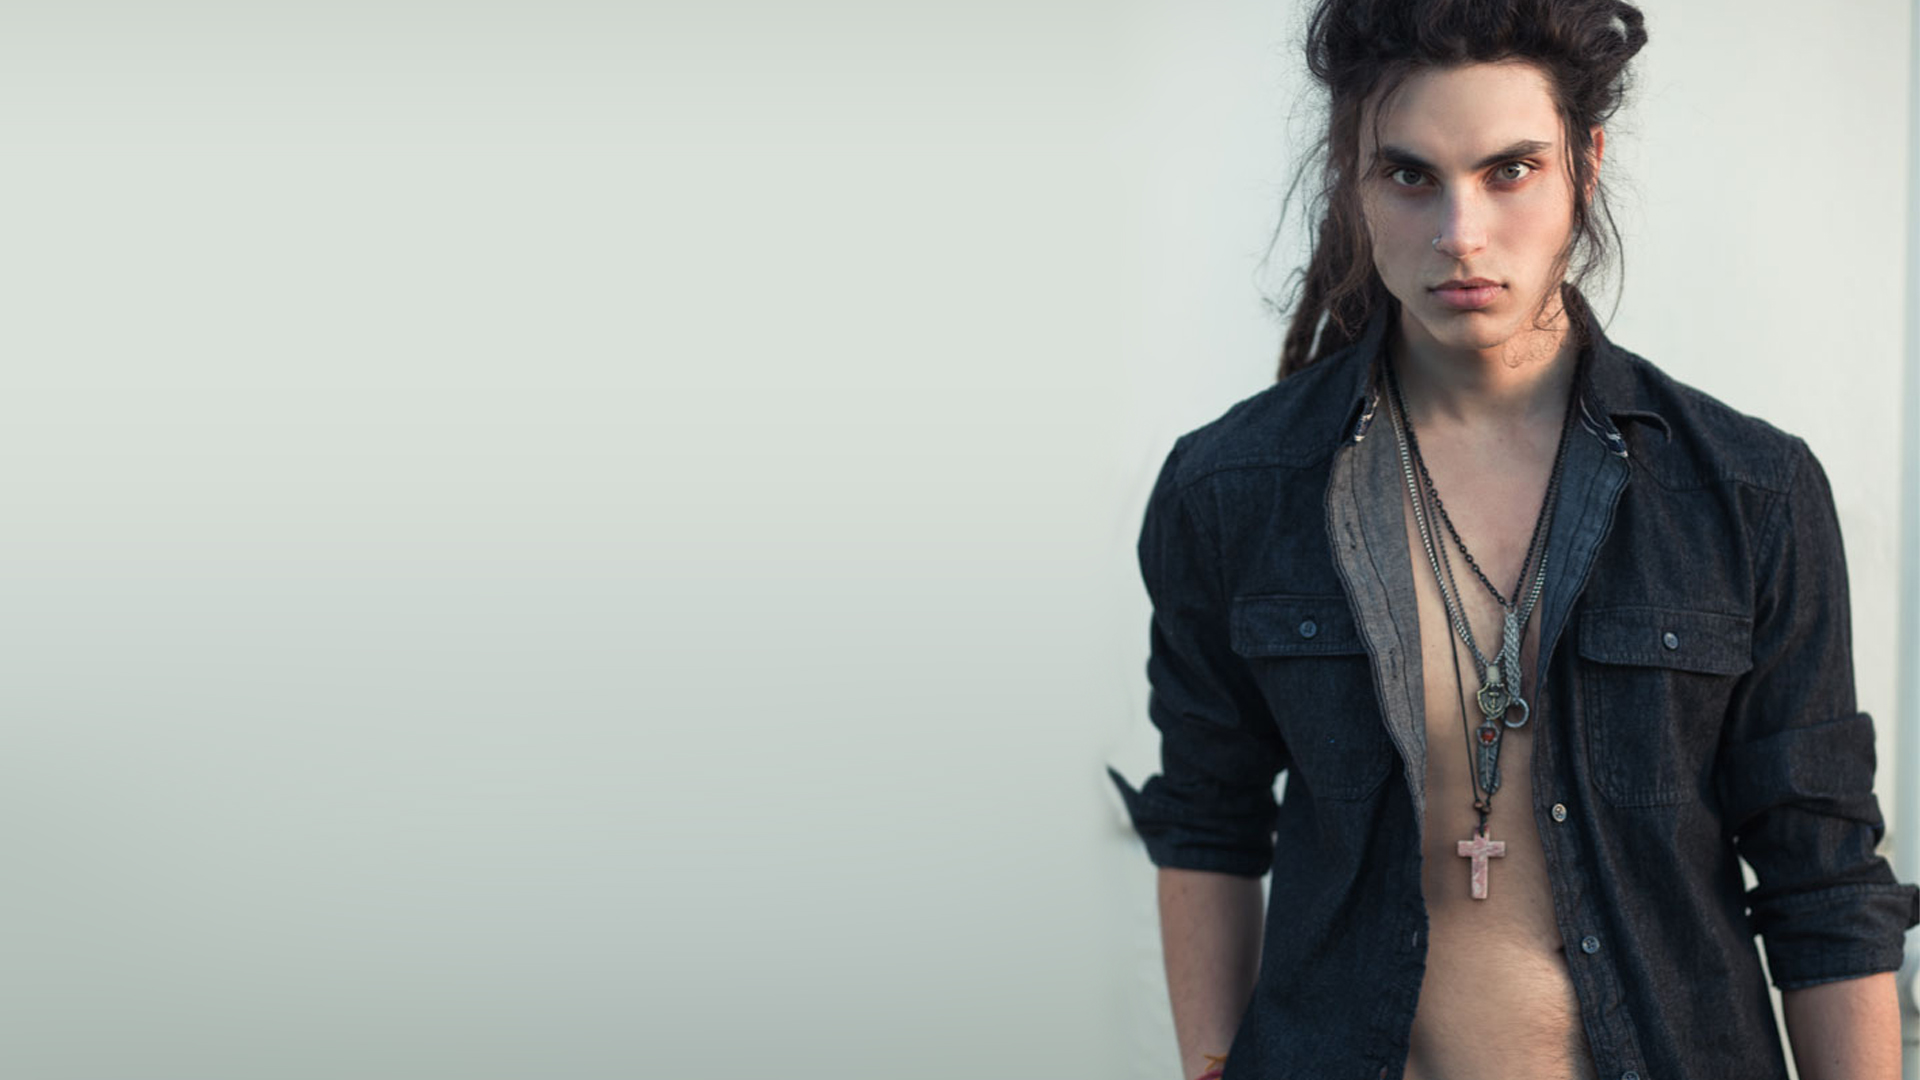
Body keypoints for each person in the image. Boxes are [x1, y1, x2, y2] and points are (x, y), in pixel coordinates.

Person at [1105, 1, 1920, 1078]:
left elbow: (1823, 877)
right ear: (1354, 179)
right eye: (1410, 176)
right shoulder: (1233, 490)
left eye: (1510, 171)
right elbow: (1208, 818)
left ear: (1585, 164)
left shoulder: (1747, 492)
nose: (1461, 233)